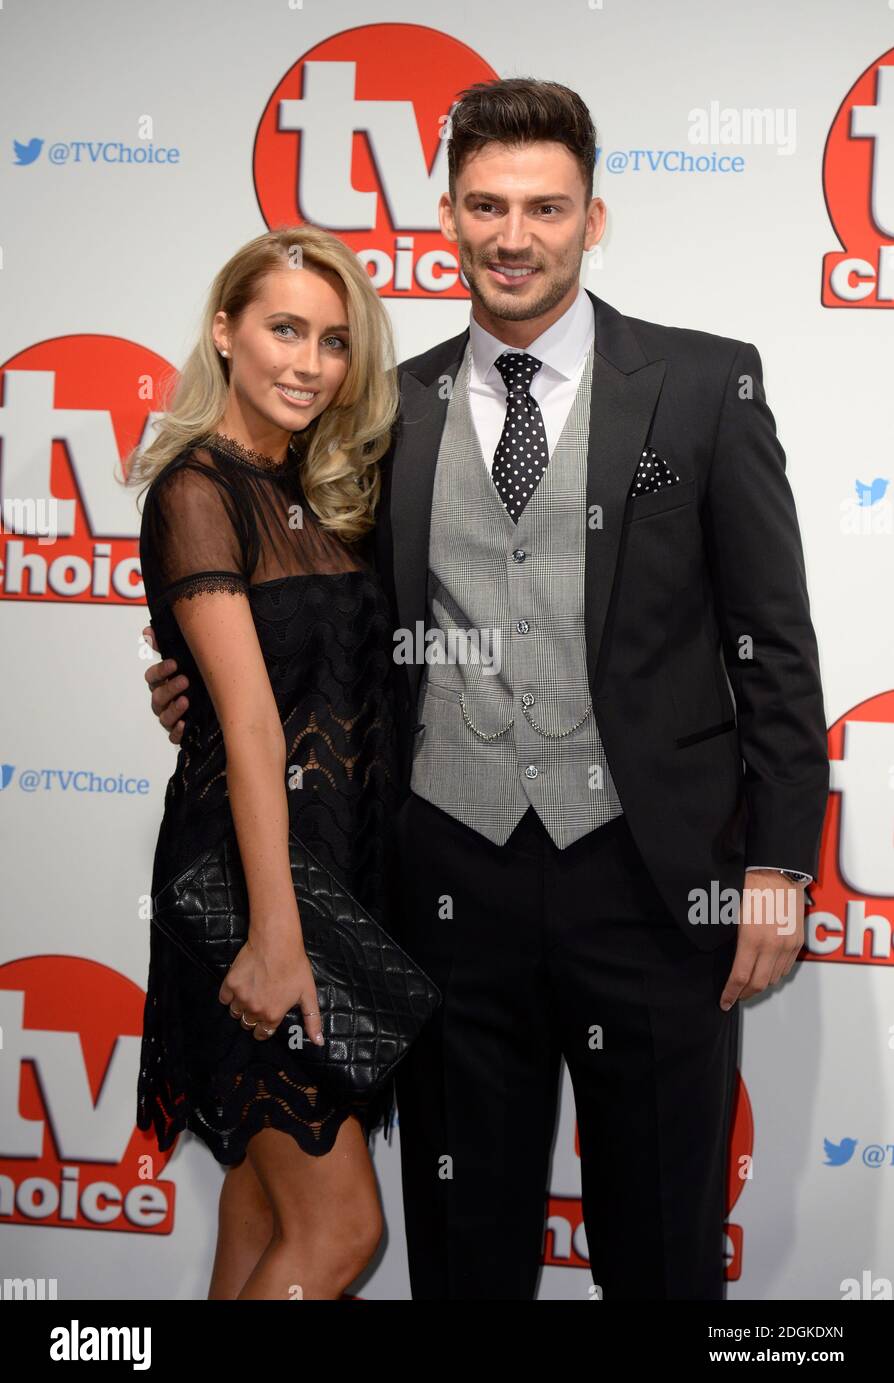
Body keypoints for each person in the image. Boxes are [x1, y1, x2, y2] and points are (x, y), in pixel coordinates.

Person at [147, 78, 830, 1300]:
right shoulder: (380, 411)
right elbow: (304, 607)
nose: (515, 234)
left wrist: (779, 866)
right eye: (486, 205)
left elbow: (772, 644)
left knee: (666, 1250)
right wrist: (195, 681)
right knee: (465, 1259)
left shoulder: (704, 387)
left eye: (545, 207)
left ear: (594, 219)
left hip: (654, 886)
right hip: (447, 893)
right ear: (448, 219)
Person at [130, 224, 402, 1300]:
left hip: (335, 876)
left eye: (334, 342)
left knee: (259, 1207)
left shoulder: (330, 492)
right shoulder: (197, 488)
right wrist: (276, 936)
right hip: (251, 891)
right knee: (339, 1234)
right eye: (284, 329)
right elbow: (247, 724)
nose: (308, 362)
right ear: (224, 330)